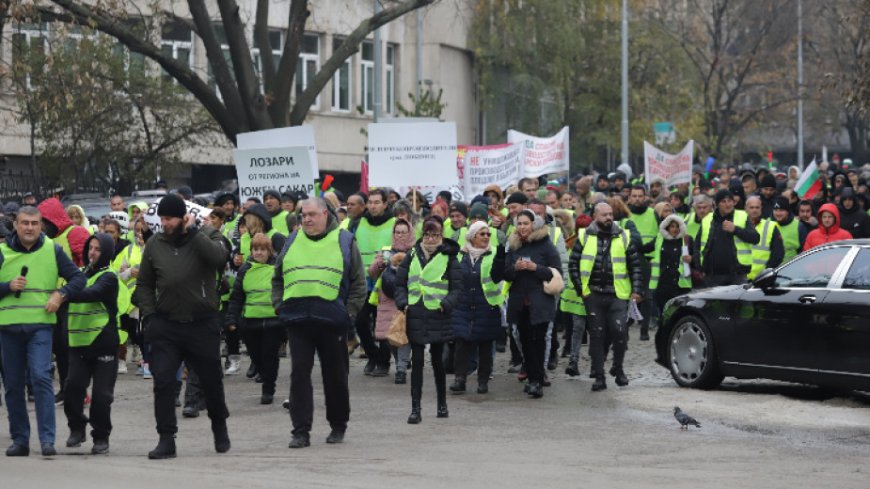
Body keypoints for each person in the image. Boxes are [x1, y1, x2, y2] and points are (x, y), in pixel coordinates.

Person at [134, 194, 231, 459]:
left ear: (183, 217)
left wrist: (194, 232)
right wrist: (151, 316)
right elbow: (144, 284)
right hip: (166, 325)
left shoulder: (206, 237)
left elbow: (219, 259)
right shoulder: (155, 244)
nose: (164, 223)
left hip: (202, 323)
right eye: (162, 219)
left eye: (169, 219)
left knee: (211, 380)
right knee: (163, 382)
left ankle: (219, 426)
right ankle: (166, 439)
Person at [272, 198, 366, 448]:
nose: (308, 219)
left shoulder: (345, 240)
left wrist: (349, 314)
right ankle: (300, 431)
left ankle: (338, 425)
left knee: (335, 376)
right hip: (297, 320)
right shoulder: (292, 240)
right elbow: (277, 277)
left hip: (332, 322)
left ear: (326, 214)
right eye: (304, 215)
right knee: (299, 376)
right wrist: (279, 305)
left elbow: (358, 283)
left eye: (313, 214)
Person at [0, 206, 85, 457]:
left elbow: (77, 279)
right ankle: (20, 440)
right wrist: (7, 286)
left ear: (41, 226)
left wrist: (61, 294)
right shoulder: (2, 251)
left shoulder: (52, 250)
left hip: (40, 327)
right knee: (13, 386)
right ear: (15, 225)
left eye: (34, 223)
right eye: (24, 223)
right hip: (8, 328)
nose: (29, 228)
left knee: (40, 378)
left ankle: (47, 440)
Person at [569, 203, 643, 392]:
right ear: (595, 216)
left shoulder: (623, 235)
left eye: (610, 214)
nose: (608, 218)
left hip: (618, 293)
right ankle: (599, 376)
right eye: (604, 215)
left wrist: (636, 290)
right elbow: (573, 264)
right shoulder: (585, 235)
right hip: (592, 294)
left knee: (620, 332)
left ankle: (618, 368)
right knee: (597, 334)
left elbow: (635, 265)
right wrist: (581, 290)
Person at [64, 233, 126, 455]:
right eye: (90, 248)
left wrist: (63, 294)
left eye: (98, 249)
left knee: (102, 395)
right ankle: (77, 428)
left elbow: (92, 293)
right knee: (72, 389)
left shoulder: (109, 277)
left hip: (104, 343)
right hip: (78, 343)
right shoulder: (78, 275)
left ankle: (101, 436)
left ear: (107, 252)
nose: (92, 252)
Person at [395, 216, 462, 421]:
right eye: (428, 234)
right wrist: (403, 302)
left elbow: (457, 288)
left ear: (441, 236)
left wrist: (447, 304)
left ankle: (442, 404)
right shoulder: (412, 255)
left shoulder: (449, 257)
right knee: (416, 362)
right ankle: (416, 409)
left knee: (437, 361)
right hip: (416, 311)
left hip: (438, 312)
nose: (431, 239)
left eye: (435, 235)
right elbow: (400, 283)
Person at [504, 210, 561, 398]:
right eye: (519, 223)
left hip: (540, 301)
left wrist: (535, 267)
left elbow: (555, 272)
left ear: (533, 225)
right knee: (525, 342)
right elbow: (505, 273)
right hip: (520, 302)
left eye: (525, 223)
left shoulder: (545, 245)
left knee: (539, 342)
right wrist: (515, 268)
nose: (522, 227)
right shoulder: (513, 245)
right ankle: (532, 378)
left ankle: (537, 381)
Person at [226, 233, 284, 405]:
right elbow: (237, 297)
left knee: (270, 356)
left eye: (262, 249)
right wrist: (231, 319)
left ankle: (268, 389)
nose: (259, 253)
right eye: (255, 249)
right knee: (256, 356)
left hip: (274, 321)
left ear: (269, 251)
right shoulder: (245, 269)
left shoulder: (277, 268)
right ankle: (264, 375)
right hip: (251, 322)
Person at [449, 222, 506, 395]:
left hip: (487, 305)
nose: (486, 237)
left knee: (486, 346)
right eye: (482, 234)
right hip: (463, 305)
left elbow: (499, 275)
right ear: (472, 236)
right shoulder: (459, 255)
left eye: (488, 234)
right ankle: (460, 379)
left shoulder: (495, 253)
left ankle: (483, 381)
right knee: (461, 343)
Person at [353, 189, 396, 376]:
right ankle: (372, 355)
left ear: (386, 204)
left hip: (385, 283)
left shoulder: (395, 224)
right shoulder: (357, 223)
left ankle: (384, 363)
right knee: (360, 322)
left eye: (377, 202)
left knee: (383, 324)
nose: (372, 206)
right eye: (370, 202)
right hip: (363, 282)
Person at [368, 219, 415, 384]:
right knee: (391, 337)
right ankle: (400, 361)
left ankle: (401, 369)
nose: (400, 235)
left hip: (408, 298)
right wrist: (380, 264)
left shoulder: (415, 252)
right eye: (397, 232)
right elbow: (372, 273)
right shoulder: (386, 251)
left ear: (410, 234)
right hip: (387, 299)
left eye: (404, 232)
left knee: (403, 334)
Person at [694, 189, 760, 287]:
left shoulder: (742, 216)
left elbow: (755, 238)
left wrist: (735, 230)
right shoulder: (707, 219)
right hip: (712, 276)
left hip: (737, 275)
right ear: (716, 204)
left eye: (730, 201)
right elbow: (697, 246)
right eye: (723, 201)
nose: (727, 204)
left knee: (739, 302)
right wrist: (699, 267)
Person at [649, 215, 692, 360]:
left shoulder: (686, 240)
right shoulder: (659, 239)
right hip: (663, 284)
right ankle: (662, 353)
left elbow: (697, 257)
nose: (674, 229)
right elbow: (647, 249)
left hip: (680, 285)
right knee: (663, 320)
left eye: (676, 226)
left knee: (678, 320)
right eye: (671, 227)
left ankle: (678, 350)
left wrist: (692, 259)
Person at [626, 186, 656, 341]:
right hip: (629, 258)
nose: (637, 198)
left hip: (648, 259)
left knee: (646, 295)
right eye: (634, 196)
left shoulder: (653, 214)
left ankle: (644, 329)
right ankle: (627, 321)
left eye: (640, 196)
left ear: (645, 197)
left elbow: (659, 234)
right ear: (630, 197)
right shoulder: (626, 215)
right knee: (627, 292)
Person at [745, 196, 784, 280]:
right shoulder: (737, 225)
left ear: (761, 208)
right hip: (740, 279)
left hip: (763, 279)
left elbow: (778, 254)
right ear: (746, 208)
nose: (754, 210)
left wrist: (766, 273)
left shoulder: (771, 226)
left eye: (757, 207)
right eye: (751, 207)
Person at [771, 196, 805, 263]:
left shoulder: (799, 226)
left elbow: (804, 250)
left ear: (788, 211)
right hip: (770, 269)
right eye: (775, 210)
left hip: (791, 268)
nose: (778, 213)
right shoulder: (767, 224)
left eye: (781, 210)